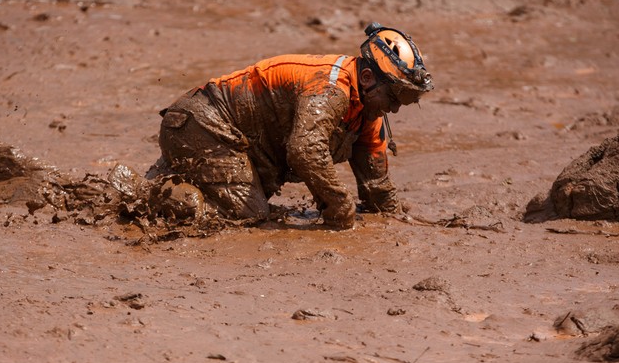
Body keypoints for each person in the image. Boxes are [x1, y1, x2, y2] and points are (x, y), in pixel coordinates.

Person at [146, 22, 434, 230]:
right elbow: (305, 150)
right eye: (395, 96)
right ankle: (149, 195)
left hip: (228, 137)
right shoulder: (330, 90)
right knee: (248, 213)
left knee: (253, 202)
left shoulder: (368, 110)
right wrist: (339, 204)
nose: (396, 108)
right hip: (203, 124)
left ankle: (174, 179)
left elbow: (378, 187)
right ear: (369, 78)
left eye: (407, 100)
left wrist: (397, 218)